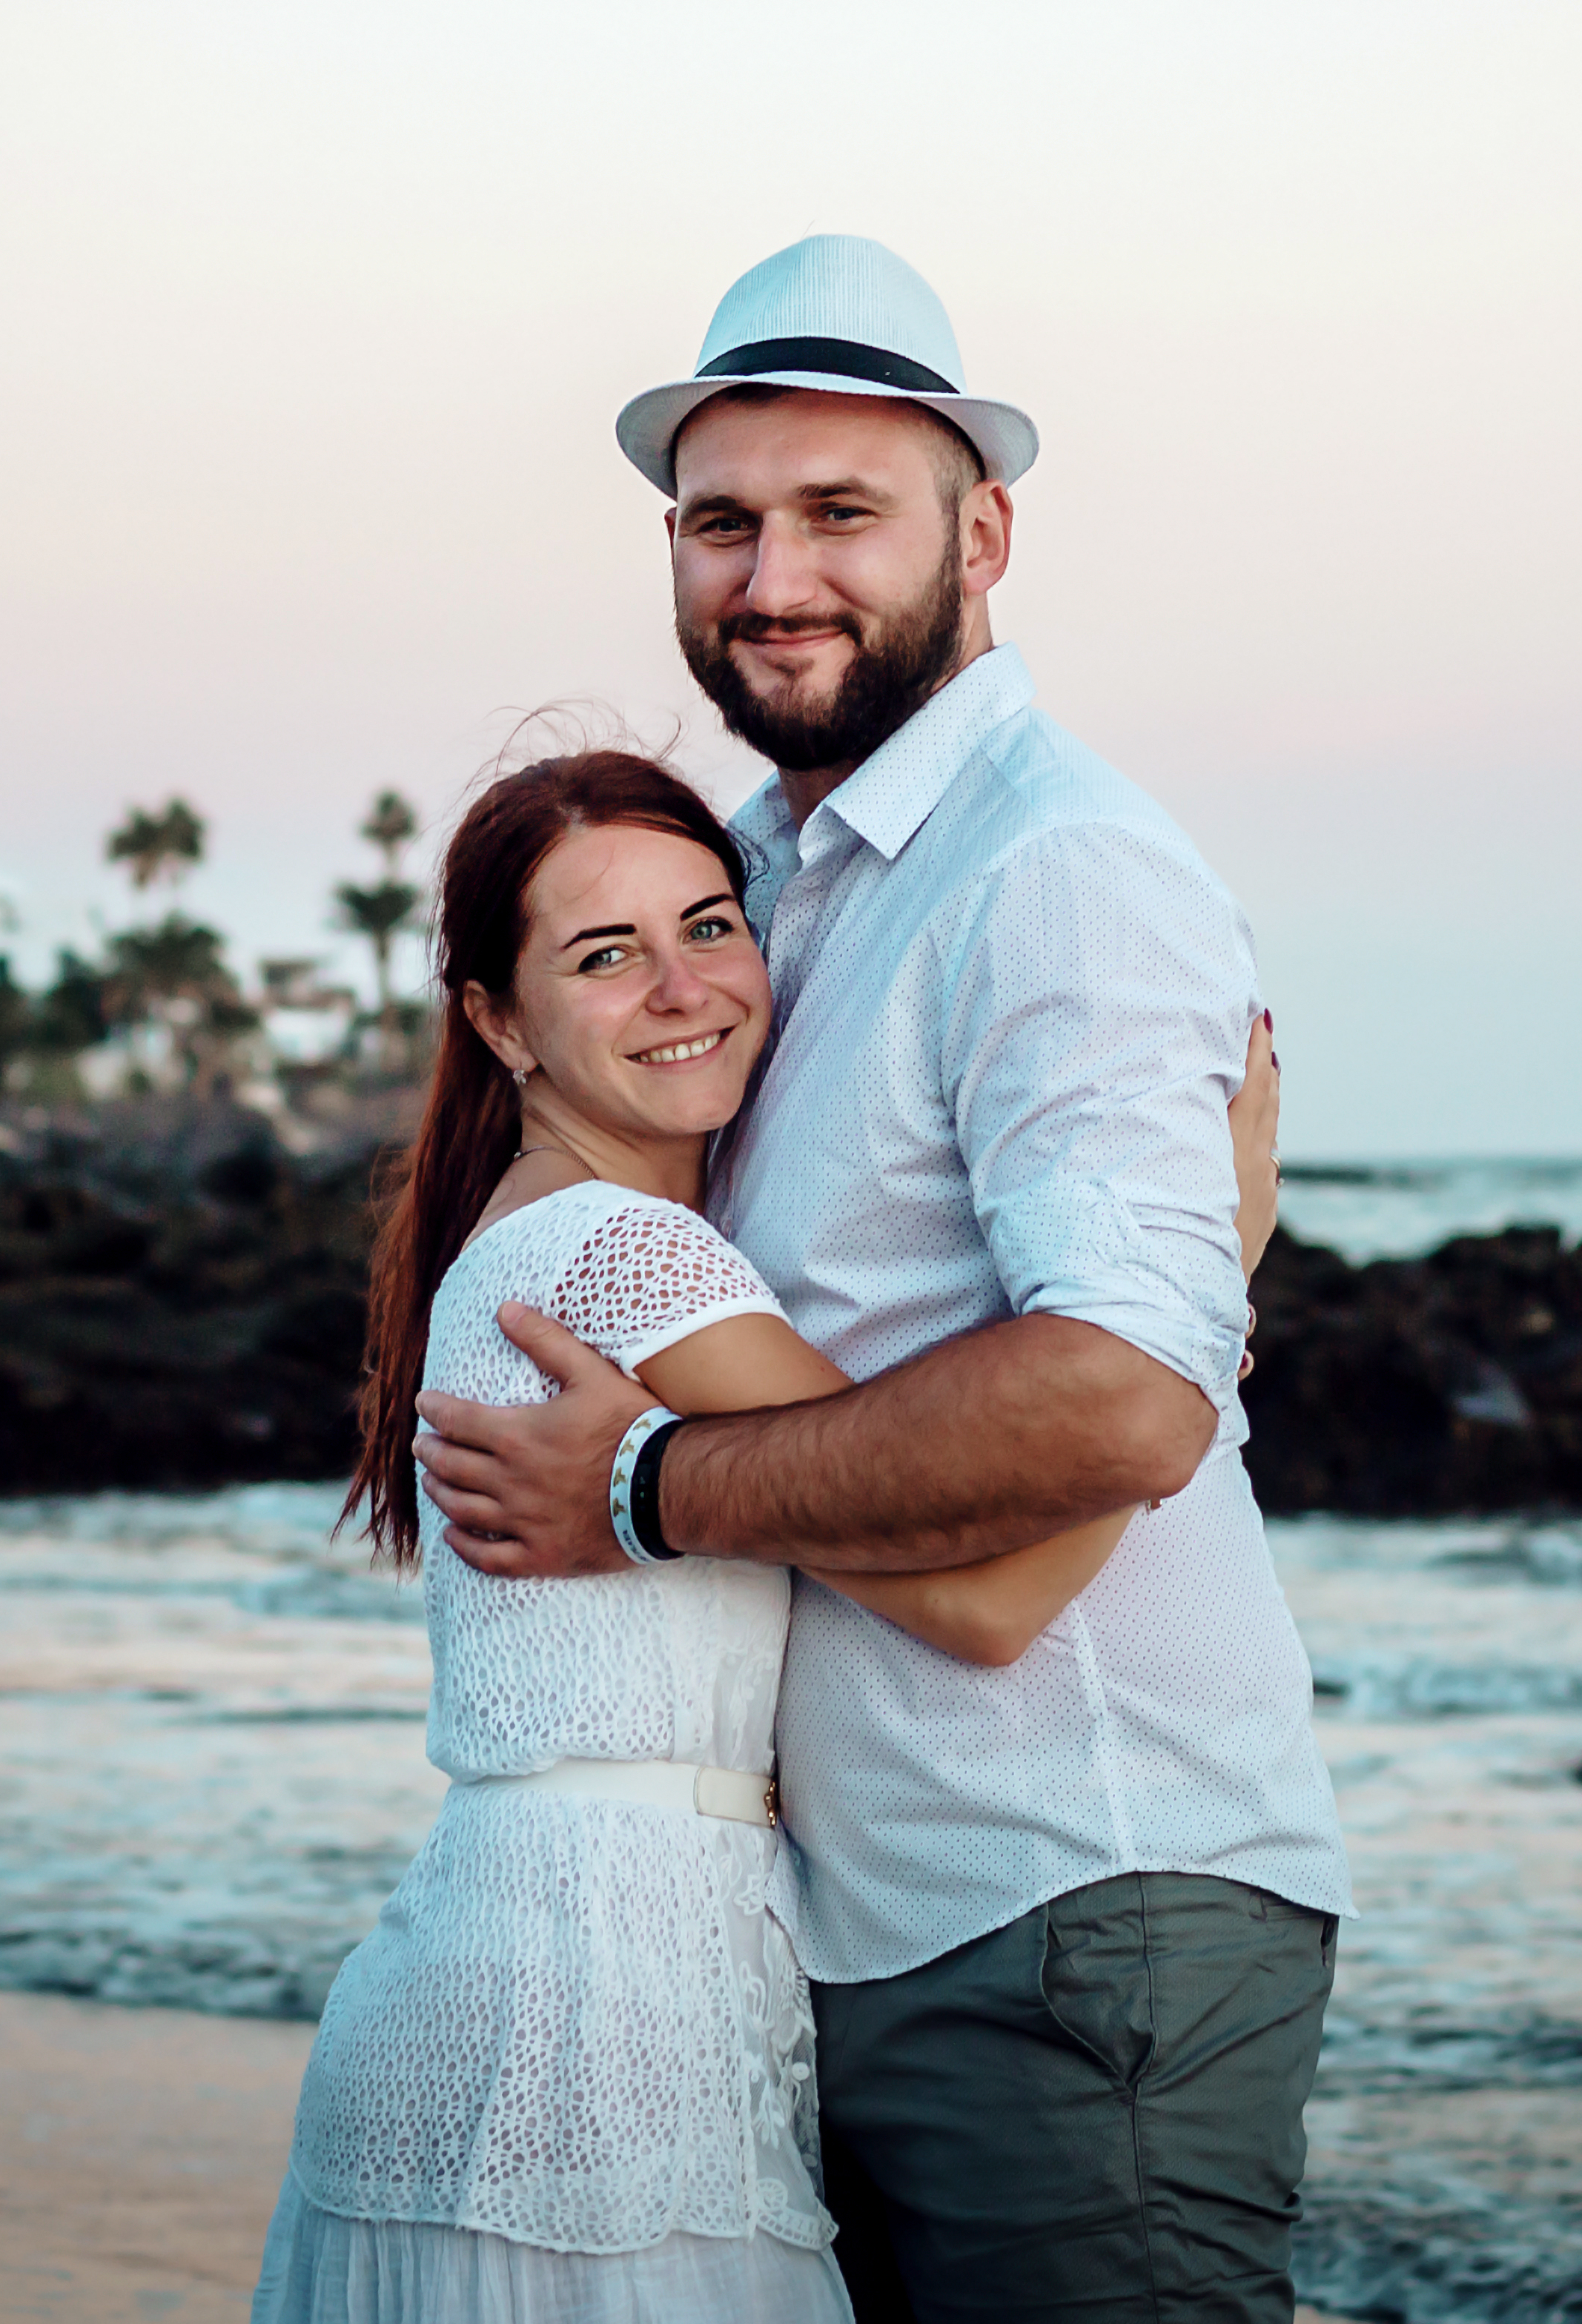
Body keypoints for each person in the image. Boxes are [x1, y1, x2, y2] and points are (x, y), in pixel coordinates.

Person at [408, 236, 1352, 2324]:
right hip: (857, 1916)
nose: (773, 578)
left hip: (1069, 1892)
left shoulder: (1049, 870)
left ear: (980, 531)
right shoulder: (764, 889)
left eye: (842, 513)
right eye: (723, 522)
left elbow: (1119, 1397)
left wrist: (646, 1491)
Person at [251, 749, 1282, 2323]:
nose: (681, 987)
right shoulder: (624, 1254)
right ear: (499, 1020)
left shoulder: (537, 1231)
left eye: (708, 925)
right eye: (604, 957)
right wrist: (1200, 1293)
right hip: (599, 2010)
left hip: (519, 1971)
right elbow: (992, 1595)